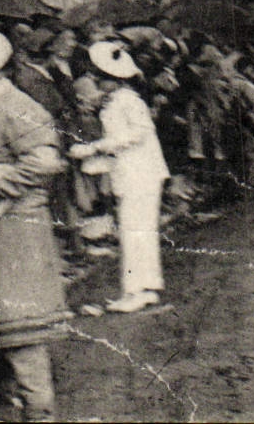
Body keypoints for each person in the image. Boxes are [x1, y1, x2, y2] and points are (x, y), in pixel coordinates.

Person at [0, 24, 71, 421]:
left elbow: (45, 162)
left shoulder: (15, 104)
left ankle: (39, 412)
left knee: (19, 328)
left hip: (16, 232)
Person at [68, 40, 169, 314]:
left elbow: (139, 132)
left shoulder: (129, 101)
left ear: (113, 79)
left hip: (141, 174)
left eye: (100, 79)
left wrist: (95, 148)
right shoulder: (118, 100)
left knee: (134, 231)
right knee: (137, 231)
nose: (97, 83)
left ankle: (136, 290)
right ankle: (144, 287)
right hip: (133, 172)